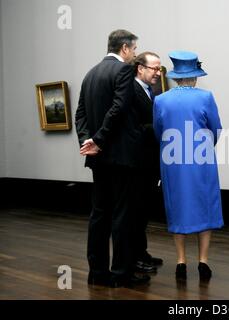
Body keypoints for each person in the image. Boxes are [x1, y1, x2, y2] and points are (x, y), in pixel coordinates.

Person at [75, 29, 149, 288]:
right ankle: (120, 274)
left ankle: (97, 273)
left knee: (99, 215)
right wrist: (99, 139)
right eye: (135, 49)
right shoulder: (124, 71)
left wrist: (87, 141)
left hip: (98, 159)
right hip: (122, 157)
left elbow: (80, 113)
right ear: (125, 48)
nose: (136, 55)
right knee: (122, 216)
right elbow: (119, 107)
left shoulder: (90, 73)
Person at [153, 51, 224, 280]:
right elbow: (216, 129)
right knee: (205, 206)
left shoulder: (160, 100)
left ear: (175, 76)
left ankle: (181, 262)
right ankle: (203, 262)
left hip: (172, 161)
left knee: (178, 207)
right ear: (195, 76)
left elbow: (158, 131)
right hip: (201, 159)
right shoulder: (205, 97)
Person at [130, 52, 164, 274]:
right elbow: (132, 128)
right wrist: (162, 127)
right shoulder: (130, 90)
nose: (159, 73)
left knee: (143, 212)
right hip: (136, 163)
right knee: (135, 212)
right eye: (155, 68)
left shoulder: (150, 91)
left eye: (160, 69)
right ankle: (134, 258)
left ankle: (142, 253)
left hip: (149, 163)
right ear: (140, 68)